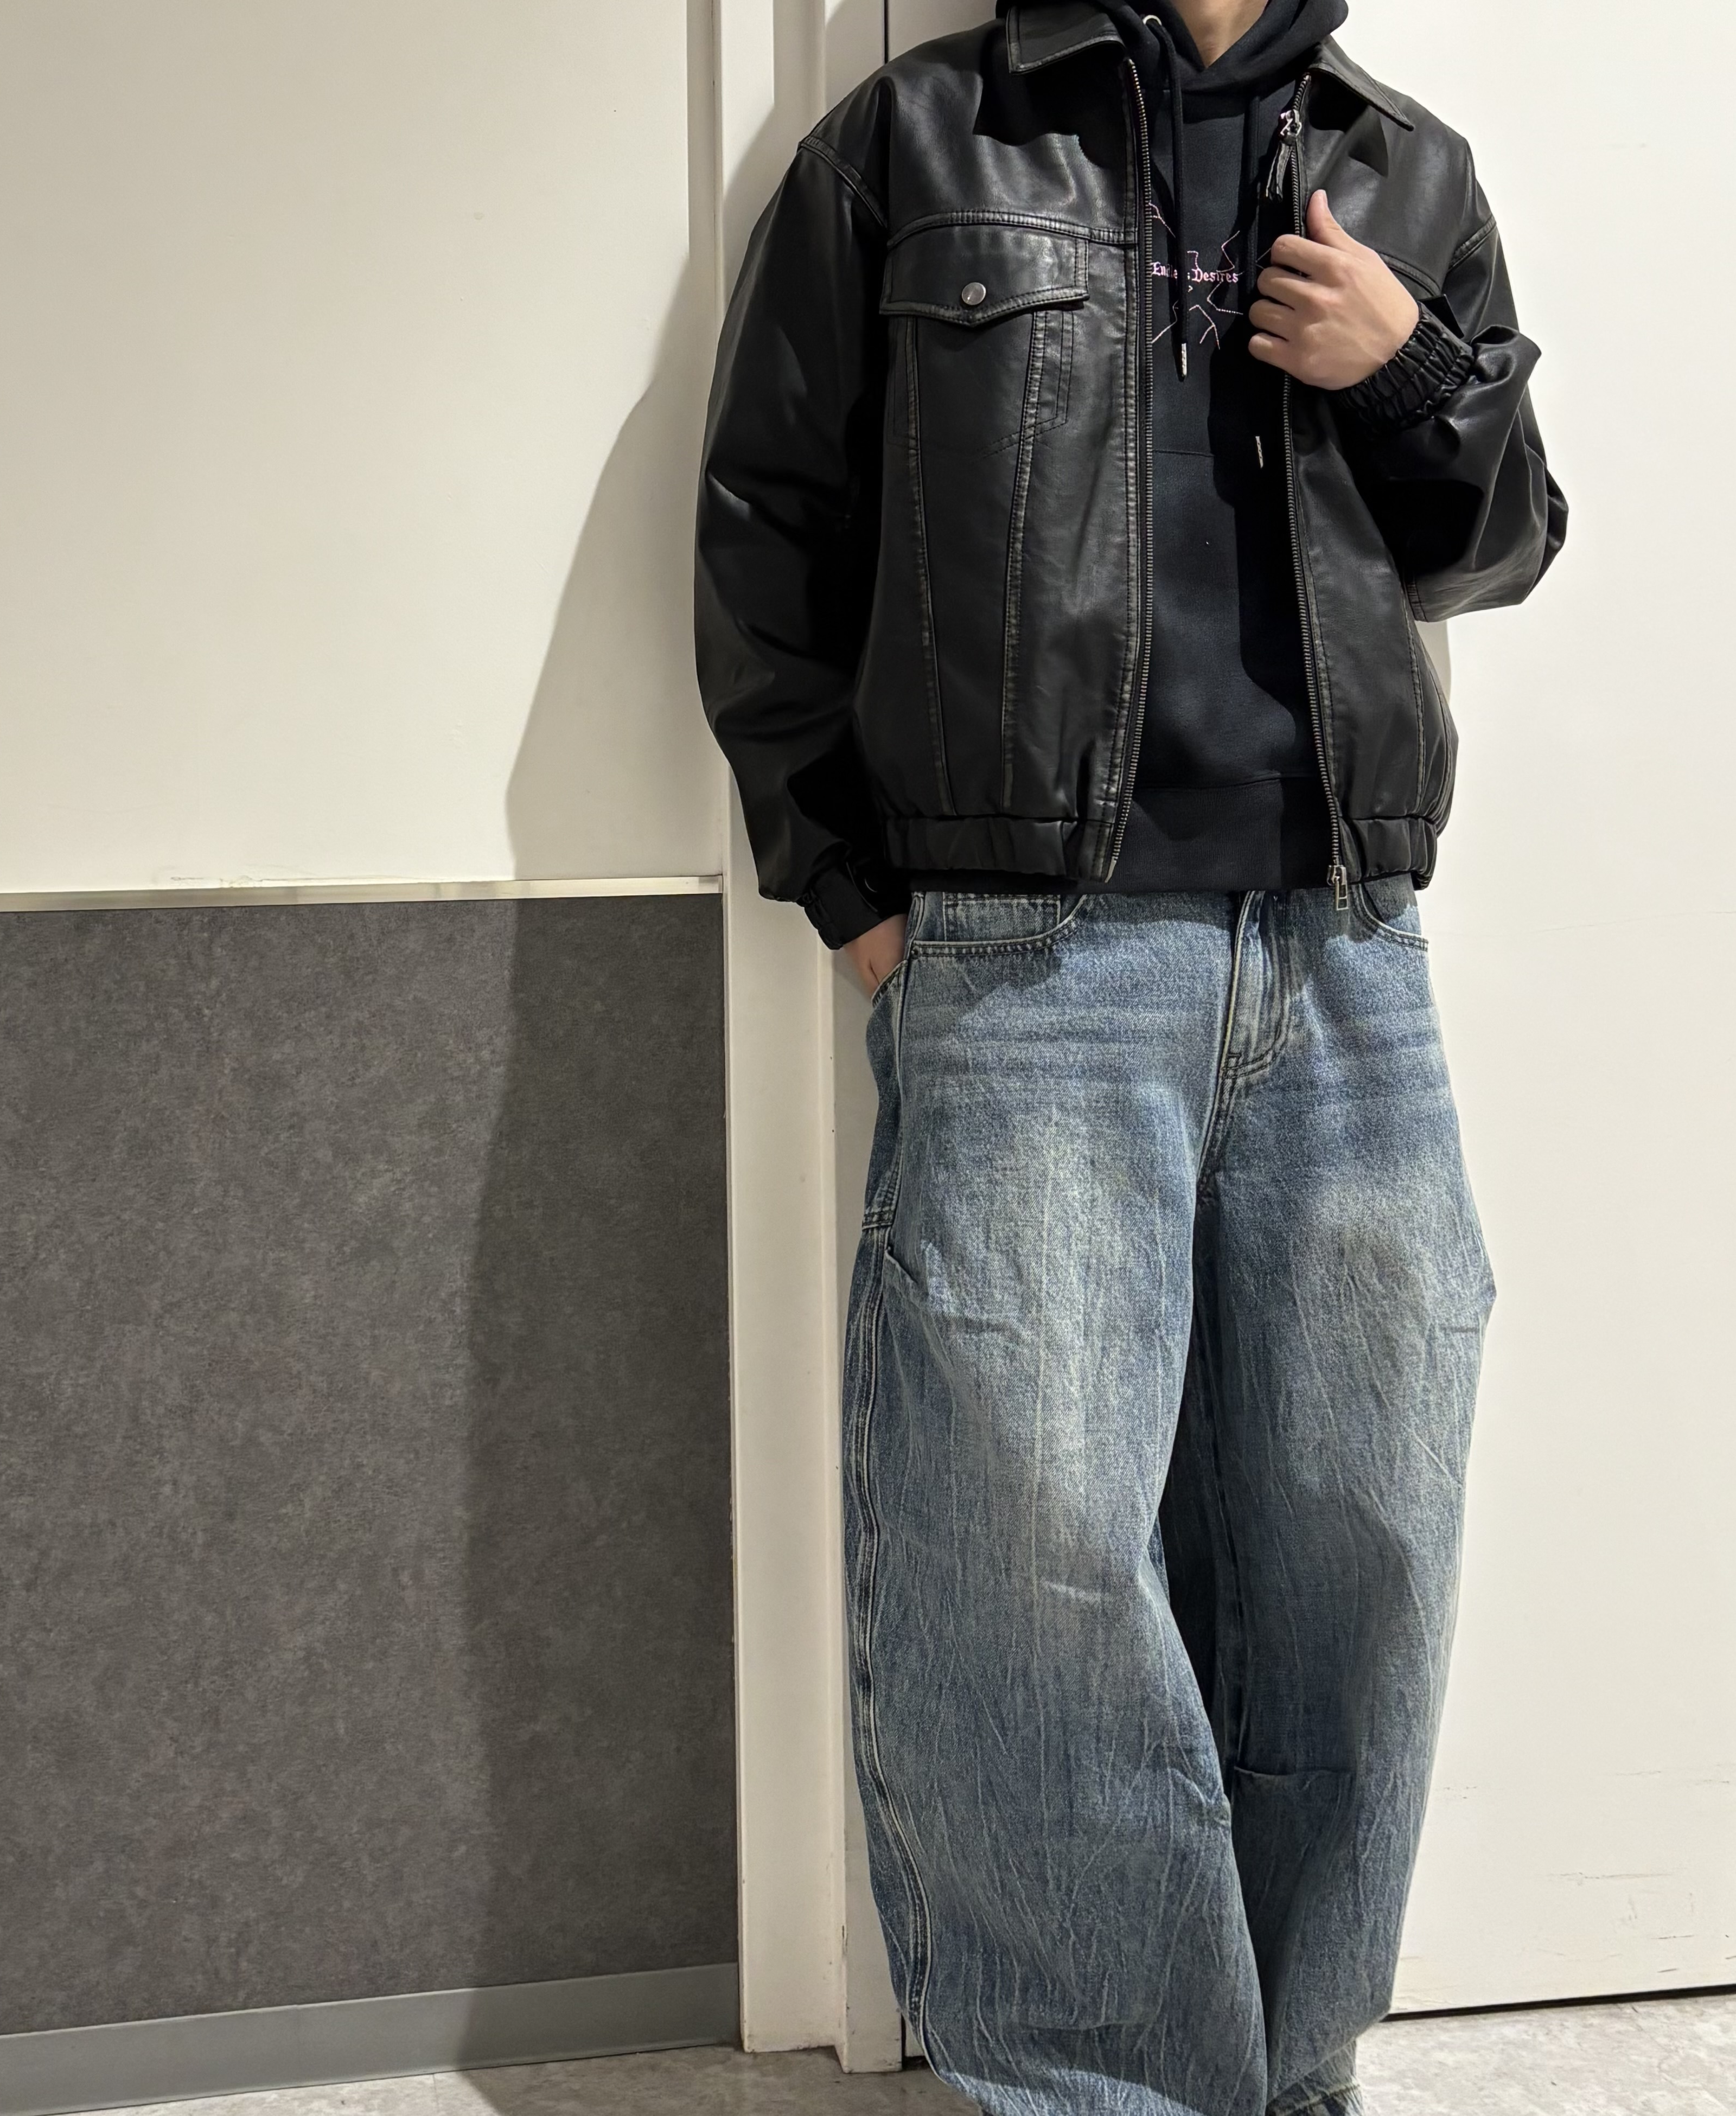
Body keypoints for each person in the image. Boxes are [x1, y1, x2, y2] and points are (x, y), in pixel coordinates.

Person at [695, 1, 1565, 2111]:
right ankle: (1110, 2091)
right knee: (1039, 1555)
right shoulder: (915, 144)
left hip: (1343, 941)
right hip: (1033, 953)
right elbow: (766, 534)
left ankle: (1284, 2068)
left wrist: (1408, 367)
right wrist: (853, 884)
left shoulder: (1408, 170)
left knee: (1362, 1538)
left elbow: (1502, 539)